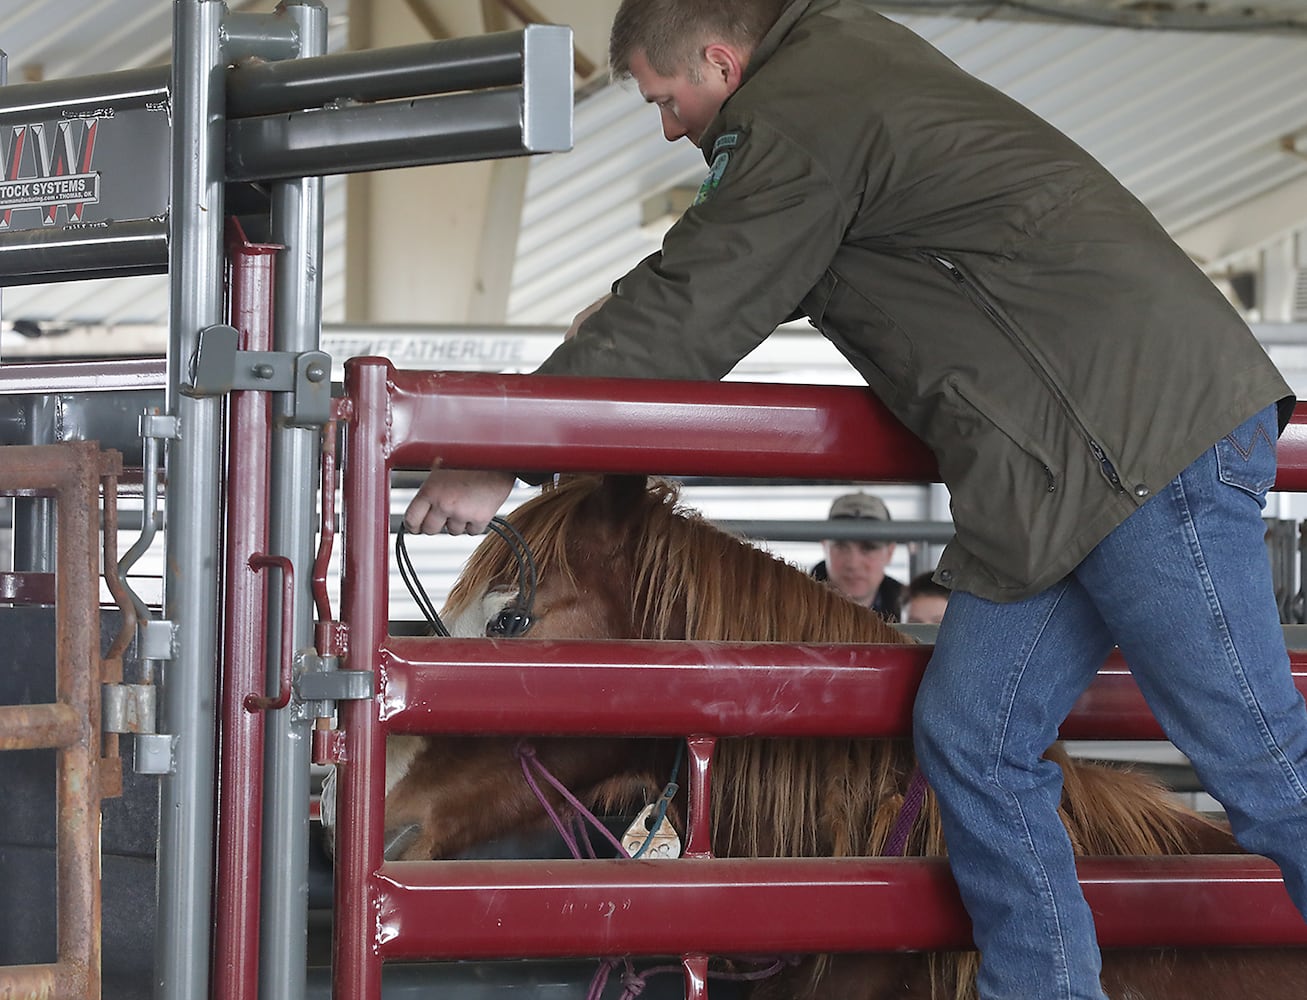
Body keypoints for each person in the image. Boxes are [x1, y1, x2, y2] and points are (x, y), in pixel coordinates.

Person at [403, 2, 1307, 997]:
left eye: (666, 100)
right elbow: (722, 265)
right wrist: (619, 319)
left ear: (718, 58)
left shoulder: (802, 108)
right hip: (1056, 475)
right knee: (972, 744)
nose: (666, 126)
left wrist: (501, 446)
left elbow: (708, 290)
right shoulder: (827, 88)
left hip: (1135, 445)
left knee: (1261, 762)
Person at [810, 491, 903, 620]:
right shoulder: (795, 602)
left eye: (868, 548)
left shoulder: (911, 608)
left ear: (890, 552)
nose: (853, 563)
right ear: (824, 546)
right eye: (841, 546)